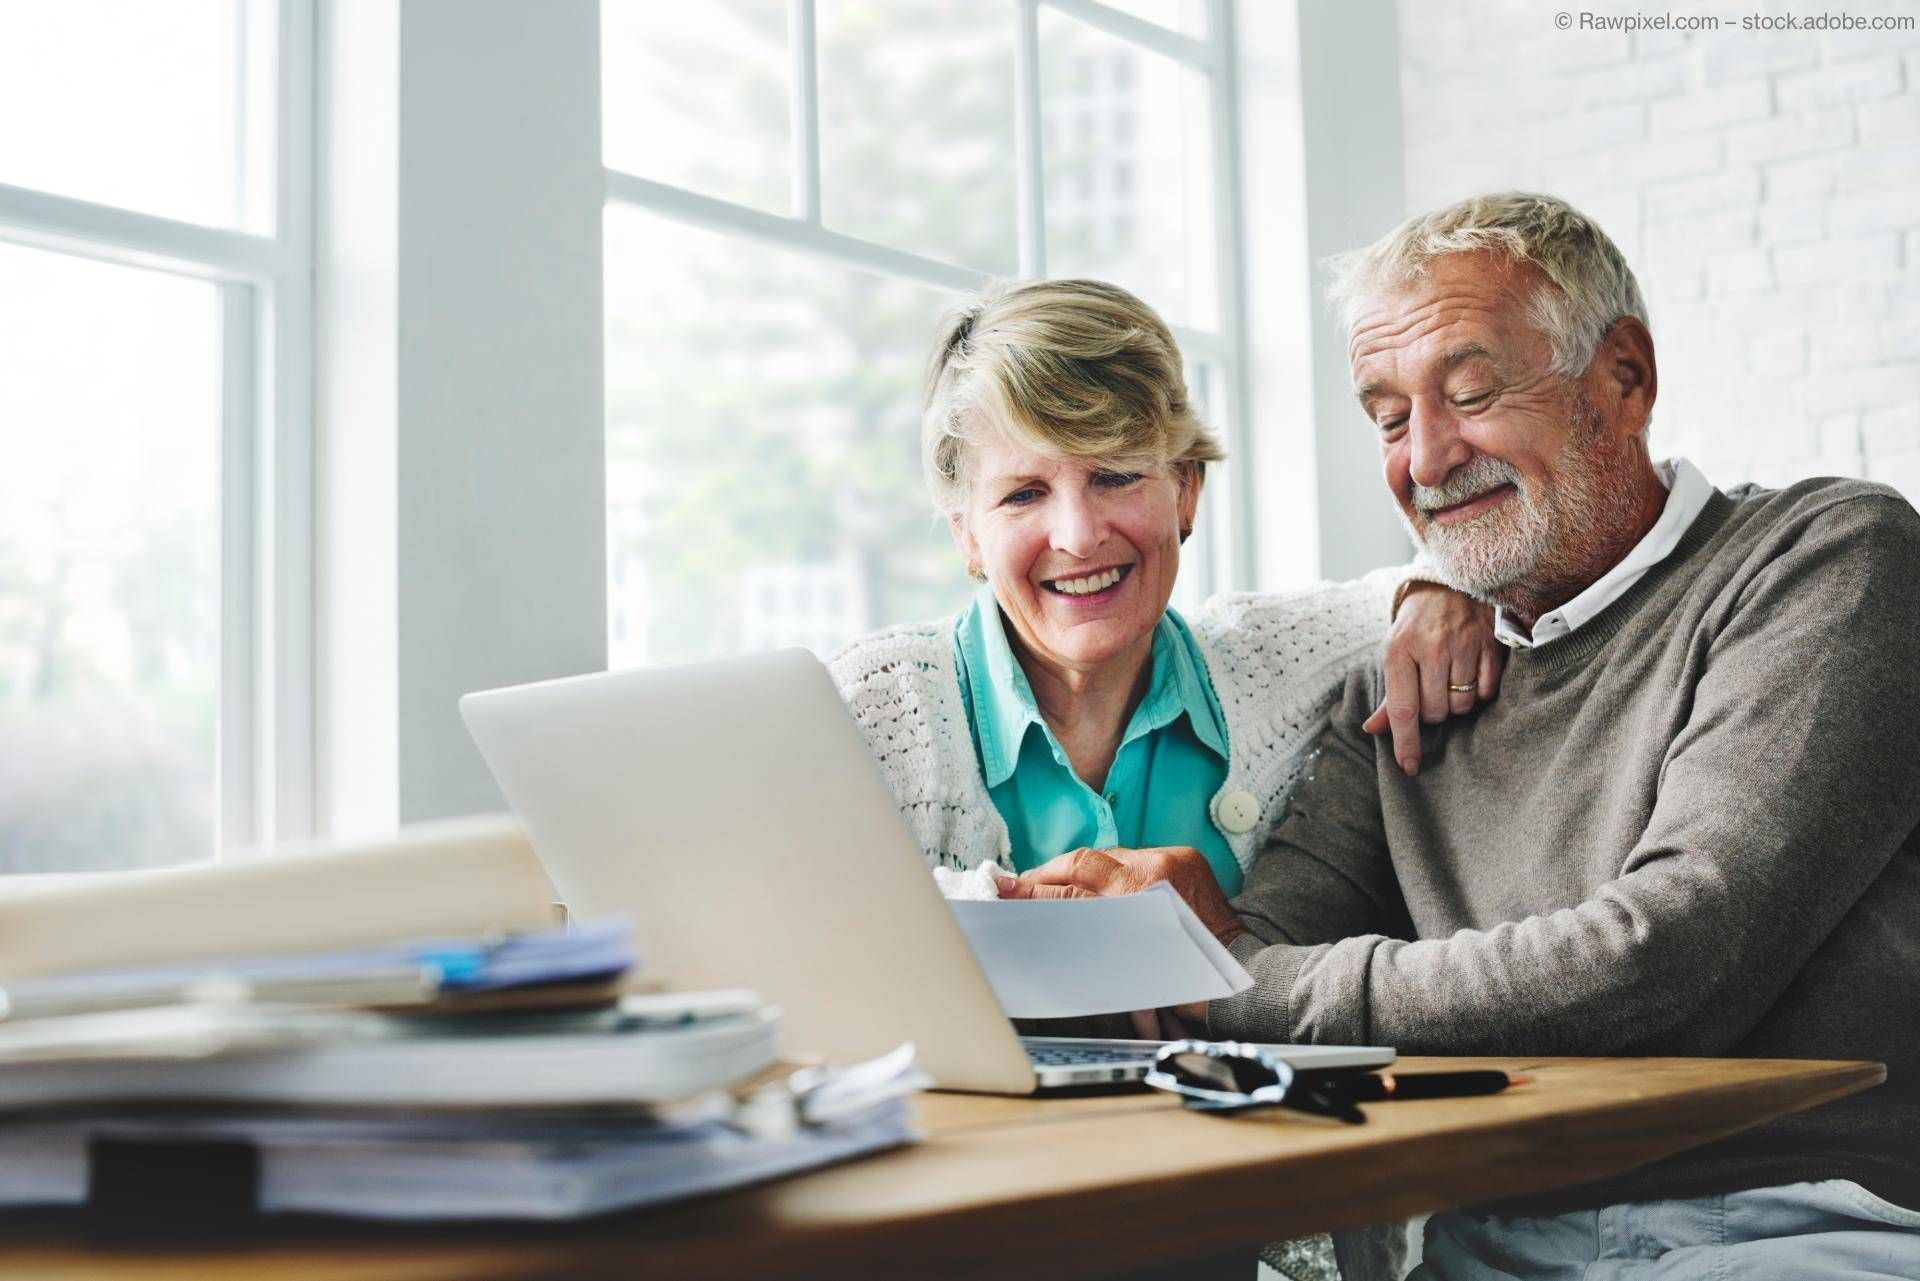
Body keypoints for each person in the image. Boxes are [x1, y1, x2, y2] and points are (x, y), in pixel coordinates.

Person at [1000, 194, 1920, 1279]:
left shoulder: (1828, 561)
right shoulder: (1400, 692)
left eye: (1473, 393)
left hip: (1797, 1222)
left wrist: (1233, 977)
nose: (1427, 460)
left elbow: (1669, 959)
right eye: (1388, 419)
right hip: (1491, 1242)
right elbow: (1246, 967)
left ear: (1624, 380)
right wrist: (1141, 940)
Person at [830, 277, 1499, 897]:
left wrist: (1438, 589)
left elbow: (1456, 568)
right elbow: (784, 931)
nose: (1079, 535)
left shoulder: (1279, 663)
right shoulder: (870, 708)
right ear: (967, 534)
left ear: (1186, 490)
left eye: (1115, 476)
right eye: (1024, 494)